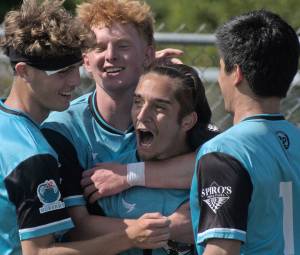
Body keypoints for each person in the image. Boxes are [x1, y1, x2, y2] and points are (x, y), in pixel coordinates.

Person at [0, 0, 170, 254]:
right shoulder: (35, 153)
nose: (74, 80)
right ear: (23, 71)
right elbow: (39, 252)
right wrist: (130, 237)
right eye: (61, 72)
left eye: (75, 68)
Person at [189, 10, 300, 255]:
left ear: (236, 73)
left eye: (221, 69)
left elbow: (222, 250)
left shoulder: (224, 152)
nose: (219, 79)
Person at [96, 63, 218, 255]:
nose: (142, 115)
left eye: (159, 107)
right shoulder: (109, 176)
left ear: (187, 121)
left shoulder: (216, 178)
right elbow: (82, 232)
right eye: (137, 102)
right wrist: (152, 230)